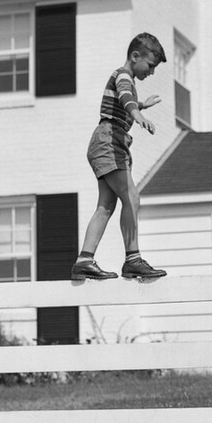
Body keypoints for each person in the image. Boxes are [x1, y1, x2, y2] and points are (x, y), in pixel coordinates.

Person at [71, 33, 169, 281]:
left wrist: (141, 105)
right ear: (135, 56)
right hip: (109, 140)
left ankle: (84, 260)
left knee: (106, 206)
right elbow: (125, 97)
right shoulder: (123, 75)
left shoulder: (124, 78)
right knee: (132, 198)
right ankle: (133, 259)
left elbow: (124, 99)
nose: (151, 72)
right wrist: (137, 114)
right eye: (150, 66)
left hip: (107, 141)